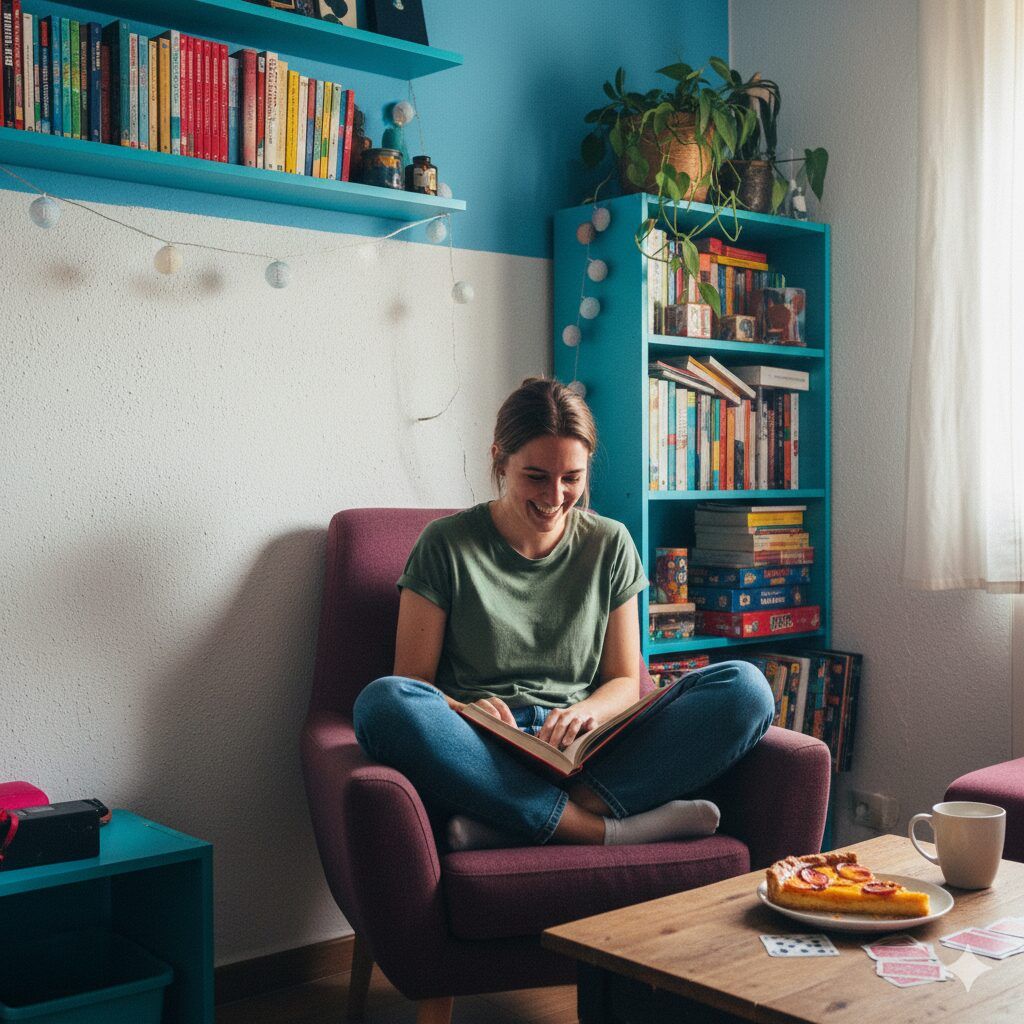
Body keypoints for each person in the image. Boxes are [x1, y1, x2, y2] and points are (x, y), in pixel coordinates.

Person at [354, 377, 774, 850]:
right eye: (536, 476)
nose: (555, 496)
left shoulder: (610, 543)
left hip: (588, 751)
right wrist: (466, 710)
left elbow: (623, 679)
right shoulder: (444, 544)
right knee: (382, 703)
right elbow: (413, 682)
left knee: (747, 689)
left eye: (572, 478)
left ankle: (516, 819)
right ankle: (598, 830)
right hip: (485, 749)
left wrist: (584, 714)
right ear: (499, 458)